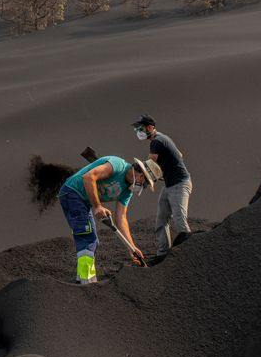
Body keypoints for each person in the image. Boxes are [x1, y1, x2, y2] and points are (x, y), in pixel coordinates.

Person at [58, 156, 154, 284]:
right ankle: (86, 282)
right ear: (142, 176)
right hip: (72, 193)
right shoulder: (117, 165)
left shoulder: (127, 191)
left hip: (84, 202)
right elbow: (88, 177)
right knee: (87, 238)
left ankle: (82, 278)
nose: (143, 186)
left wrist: (131, 247)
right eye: (146, 183)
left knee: (93, 240)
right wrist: (98, 206)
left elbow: (121, 217)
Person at [131, 114, 192, 265]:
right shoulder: (162, 138)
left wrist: (139, 177)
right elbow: (179, 154)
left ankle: (191, 254)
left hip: (179, 184)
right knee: (162, 219)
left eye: (141, 128)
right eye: (137, 129)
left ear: (150, 127)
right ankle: (162, 255)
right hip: (170, 185)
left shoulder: (156, 142)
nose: (138, 131)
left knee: (180, 221)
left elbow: (149, 166)